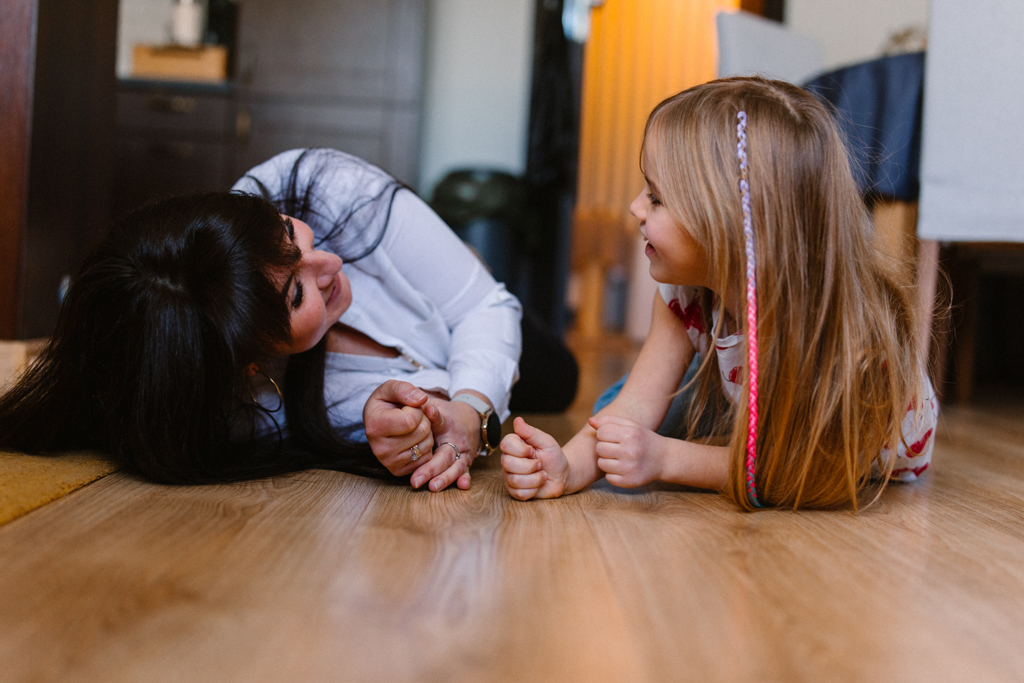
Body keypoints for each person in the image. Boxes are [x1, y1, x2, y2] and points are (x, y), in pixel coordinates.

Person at [0, 149, 576, 490]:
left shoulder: (319, 186)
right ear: (249, 363)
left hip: (464, 312)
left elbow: (483, 308)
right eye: (297, 294)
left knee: (558, 375)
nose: (329, 262)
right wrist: (396, 434)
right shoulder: (234, 410)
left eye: (285, 233)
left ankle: (464, 260)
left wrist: (471, 408)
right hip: (432, 359)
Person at [501, 77, 938, 510]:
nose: (635, 207)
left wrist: (666, 458)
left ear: (729, 226)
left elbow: (806, 473)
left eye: (656, 198)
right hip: (747, 398)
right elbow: (633, 406)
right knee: (619, 414)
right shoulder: (682, 297)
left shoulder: (843, 336)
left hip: (828, 452)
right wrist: (568, 467)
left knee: (647, 438)